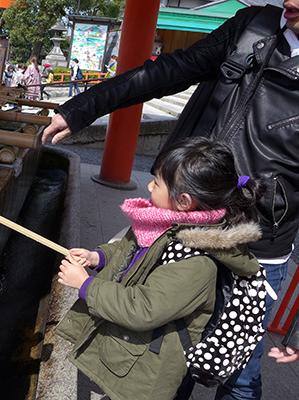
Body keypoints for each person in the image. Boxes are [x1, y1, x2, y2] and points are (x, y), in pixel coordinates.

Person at [42, 2, 299, 399]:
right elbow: (169, 69)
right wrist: (82, 109)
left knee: (238, 375)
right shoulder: (255, 23)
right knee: (164, 354)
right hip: (182, 227)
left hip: (258, 244)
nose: (291, 2)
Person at [56, 137, 263, 400]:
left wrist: (86, 285)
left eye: (157, 182)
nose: (150, 186)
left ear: (184, 201)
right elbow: (128, 251)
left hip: (147, 367)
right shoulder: (161, 223)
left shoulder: (196, 260)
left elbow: (144, 309)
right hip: (130, 350)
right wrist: (98, 257)